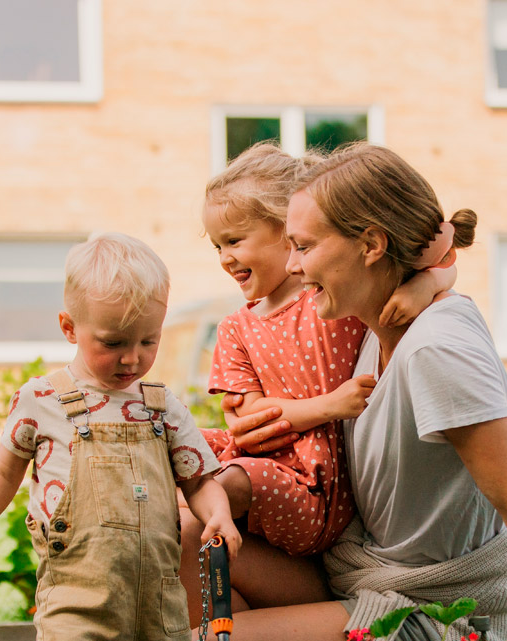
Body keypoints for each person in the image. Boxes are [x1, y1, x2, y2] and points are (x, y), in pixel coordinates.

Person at [189, 142, 507, 641]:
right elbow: (434, 261)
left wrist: (434, 282)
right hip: (370, 584)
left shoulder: (437, 350)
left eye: (303, 246)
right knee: (189, 524)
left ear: (371, 244)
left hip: (437, 628)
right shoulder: (372, 330)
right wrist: (433, 277)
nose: (294, 266)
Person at [0, 232, 241, 641]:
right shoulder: (41, 401)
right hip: (79, 603)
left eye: (149, 340)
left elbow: (198, 480)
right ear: (69, 327)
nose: (132, 358)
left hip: (159, 604)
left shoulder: (162, 406)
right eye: (114, 343)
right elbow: (3, 472)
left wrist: (219, 514)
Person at [187, 143, 455, 567]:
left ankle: (194, 519)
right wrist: (330, 405)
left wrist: (422, 286)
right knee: (176, 444)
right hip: (268, 461)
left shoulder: (333, 296)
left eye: (234, 240)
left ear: (285, 230)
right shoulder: (236, 327)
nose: (225, 258)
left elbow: (442, 248)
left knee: (229, 482)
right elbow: (254, 417)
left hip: (316, 488)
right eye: (217, 246)